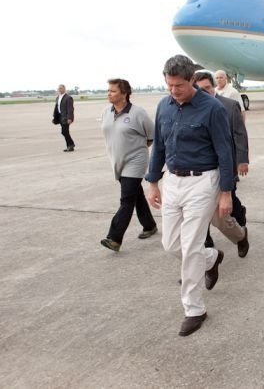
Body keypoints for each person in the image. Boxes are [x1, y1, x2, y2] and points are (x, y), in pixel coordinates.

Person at [145, 55, 234, 337]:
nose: (174, 91)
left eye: (179, 85)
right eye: (170, 85)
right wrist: (153, 182)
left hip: (203, 181)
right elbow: (159, 145)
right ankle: (211, 258)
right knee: (171, 244)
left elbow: (225, 151)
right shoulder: (164, 106)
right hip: (173, 180)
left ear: (192, 79)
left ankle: (194, 309)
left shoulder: (212, 108)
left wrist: (226, 193)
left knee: (191, 245)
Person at [193, 70, 250, 257]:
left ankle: (240, 225)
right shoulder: (192, 108)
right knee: (201, 210)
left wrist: (242, 160)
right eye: (200, 90)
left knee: (229, 203)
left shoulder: (228, 105)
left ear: (214, 86)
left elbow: (239, 134)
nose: (205, 92)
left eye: (207, 88)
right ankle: (206, 245)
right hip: (201, 169)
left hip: (226, 165)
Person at [99, 79, 158, 252]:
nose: (109, 93)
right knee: (135, 194)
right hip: (117, 160)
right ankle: (149, 225)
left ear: (124, 94)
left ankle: (115, 238)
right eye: (108, 90)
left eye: (113, 91)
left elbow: (151, 135)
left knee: (126, 200)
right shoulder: (106, 112)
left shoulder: (137, 113)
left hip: (135, 161)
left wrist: (136, 149)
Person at [52, 84, 75, 152]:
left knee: (64, 132)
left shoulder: (68, 97)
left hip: (66, 118)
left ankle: (71, 145)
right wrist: (55, 118)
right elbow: (56, 108)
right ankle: (70, 146)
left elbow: (70, 109)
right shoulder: (58, 97)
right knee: (64, 132)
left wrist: (69, 118)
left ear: (64, 89)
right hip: (60, 117)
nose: (59, 89)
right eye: (59, 88)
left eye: (61, 88)